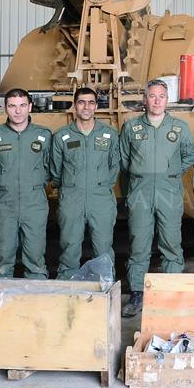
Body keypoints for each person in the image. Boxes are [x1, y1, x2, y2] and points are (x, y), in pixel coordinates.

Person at [119, 79, 194, 318]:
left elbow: (188, 155)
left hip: (168, 192)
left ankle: (171, 294)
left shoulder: (179, 127)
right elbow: (123, 160)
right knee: (139, 244)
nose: (156, 100)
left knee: (171, 243)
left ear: (167, 99)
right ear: (145, 99)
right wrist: (140, 175)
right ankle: (137, 294)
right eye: (152, 96)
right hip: (140, 192)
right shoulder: (131, 127)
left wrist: (169, 172)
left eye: (161, 96)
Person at [0, 88, 52, 279]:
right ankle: (1, 290)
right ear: (5, 108)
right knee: (2, 256)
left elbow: (51, 166)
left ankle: (37, 289)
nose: (18, 111)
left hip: (34, 203)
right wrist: (3, 183)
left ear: (30, 107)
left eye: (22, 105)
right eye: (12, 106)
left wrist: (33, 183)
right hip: (4, 203)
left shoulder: (44, 135)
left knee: (35, 256)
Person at [50, 87, 120, 280]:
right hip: (72, 198)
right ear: (75, 106)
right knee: (70, 246)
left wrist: (100, 185)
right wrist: (71, 187)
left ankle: (105, 286)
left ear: (96, 106)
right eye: (81, 102)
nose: (86, 107)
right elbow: (55, 170)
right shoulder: (62, 136)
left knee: (103, 247)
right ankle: (68, 286)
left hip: (101, 199)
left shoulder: (109, 134)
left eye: (91, 103)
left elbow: (114, 166)